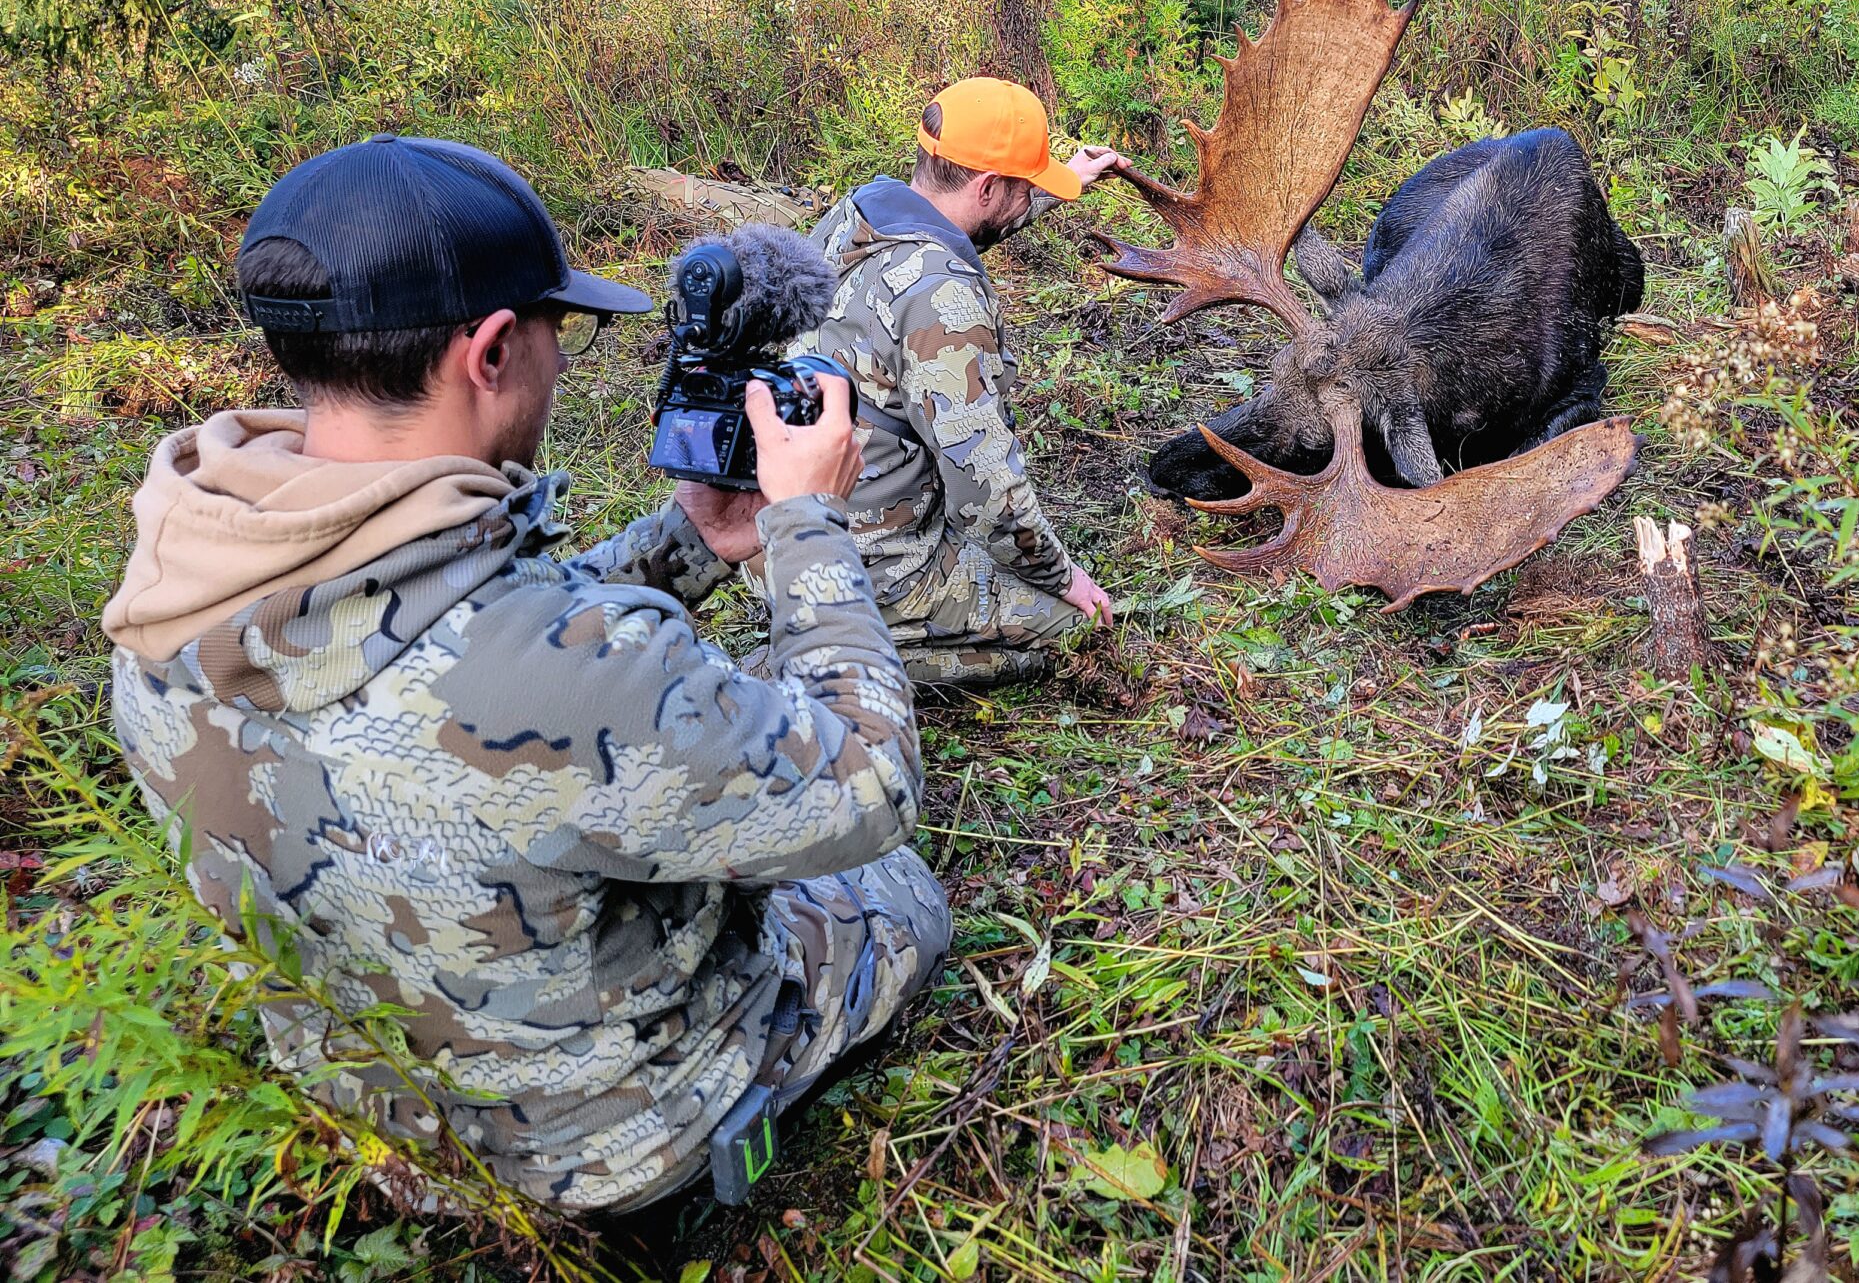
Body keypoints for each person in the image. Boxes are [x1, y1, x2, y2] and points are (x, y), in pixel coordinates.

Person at [101, 134, 950, 1214]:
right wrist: (806, 526)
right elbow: (870, 786)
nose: (562, 357)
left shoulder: (175, 590)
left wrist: (685, 540)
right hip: (605, 1144)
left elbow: (437, 637)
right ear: (493, 350)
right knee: (892, 891)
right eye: (561, 328)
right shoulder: (591, 663)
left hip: (383, 1117)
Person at [796, 78, 1130, 688]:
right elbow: (984, 490)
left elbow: (960, 226)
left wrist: (1063, 184)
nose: (1032, 196)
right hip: (873, 565)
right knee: (1078, 633)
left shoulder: (861, 214)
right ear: (987, 186)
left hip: (796, 527)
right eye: (1026, 187)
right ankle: (838, 655)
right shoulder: (941, 297)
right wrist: (1065, 580)